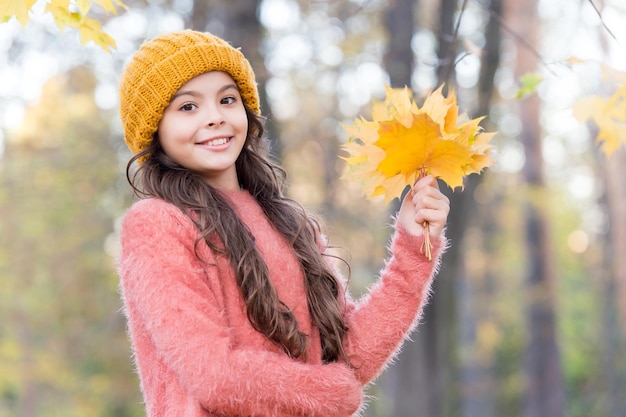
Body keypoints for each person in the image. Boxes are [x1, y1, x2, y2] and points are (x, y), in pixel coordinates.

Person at [116, 29, 450, 417]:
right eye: (188, 107)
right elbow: (214, 376)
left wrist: (413, 248)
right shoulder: (157, 224)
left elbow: (349, 355)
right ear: (155, 129)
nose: (215, 118)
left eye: (227, 99)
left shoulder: (289, 225)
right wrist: (333, 394)